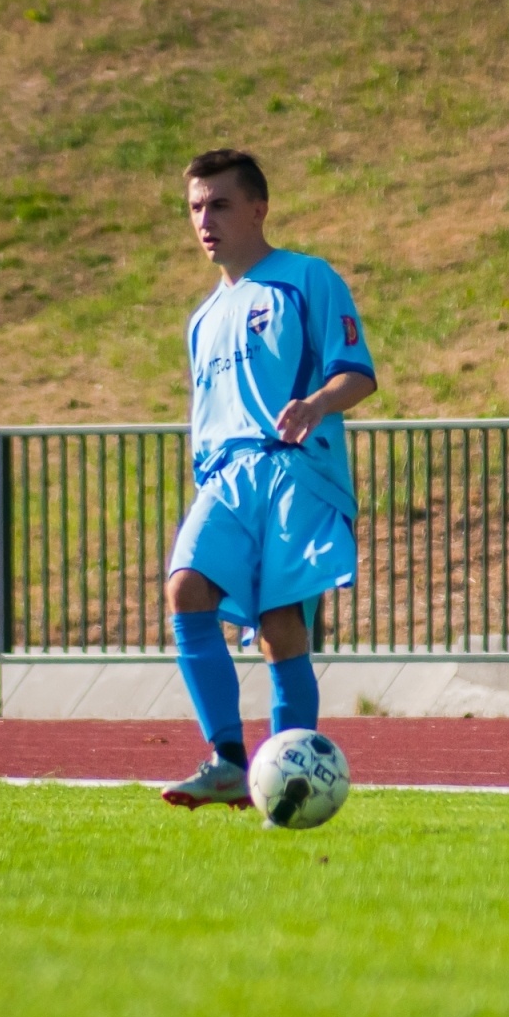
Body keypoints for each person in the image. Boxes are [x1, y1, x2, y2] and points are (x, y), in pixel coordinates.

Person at [160, 148, 376, 810]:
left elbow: (357, 373)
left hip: (294, 471)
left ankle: (290, 778)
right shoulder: (201, 320)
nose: (206, 219)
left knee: (281, 628)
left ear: (258, 208)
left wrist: (316, 404)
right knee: (185, 588)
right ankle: (227, 760)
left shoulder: (306, 278)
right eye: (196, 207)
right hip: (226, 479)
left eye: (219, 204)